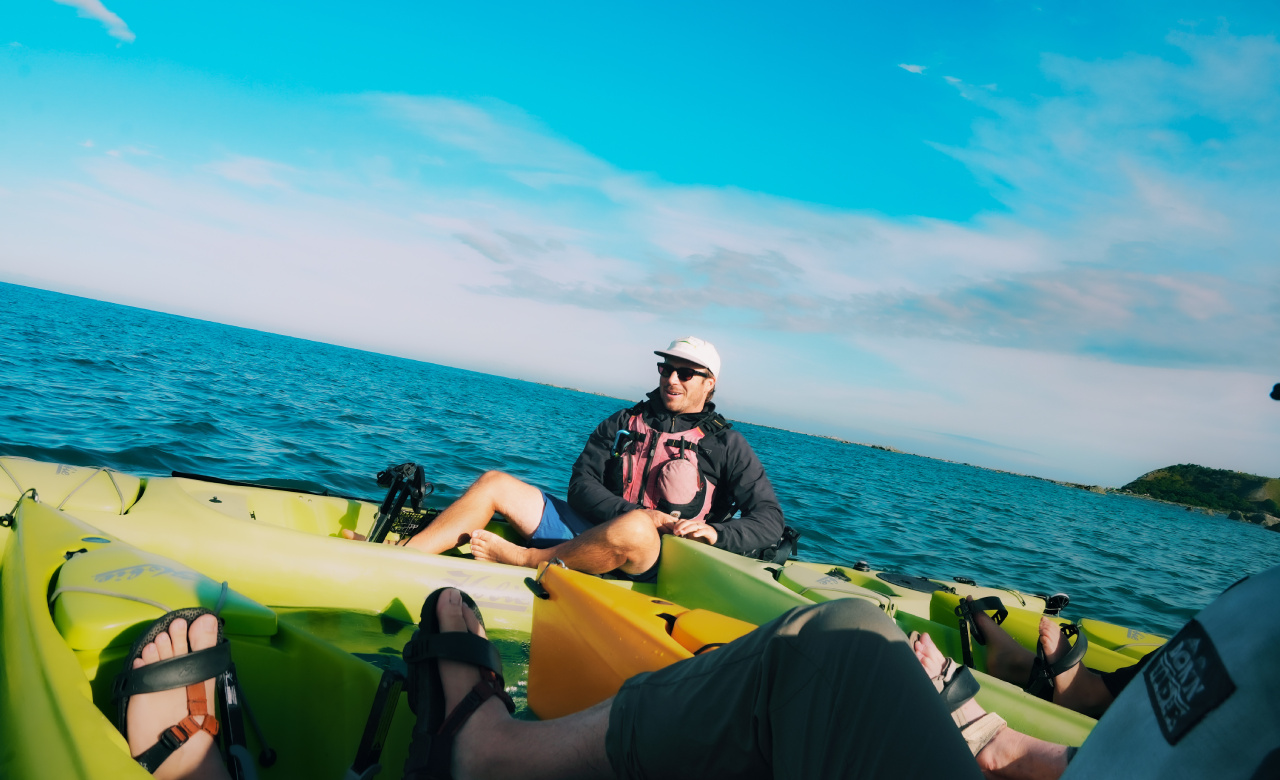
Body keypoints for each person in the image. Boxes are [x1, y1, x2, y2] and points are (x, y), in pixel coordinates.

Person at [347, 337, 786, 580]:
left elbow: (769, 518)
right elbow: (580, 486)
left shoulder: (728, 444)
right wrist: (633, 514)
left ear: (709, 383)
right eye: (665, 368)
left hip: (655, 559)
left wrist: (715, 533)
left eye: (685, 373)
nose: (672, 378)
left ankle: (522, 559)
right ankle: (398, 558)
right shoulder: (623, 422)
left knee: (635, 528)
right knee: (495, 483)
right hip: (591, 530)